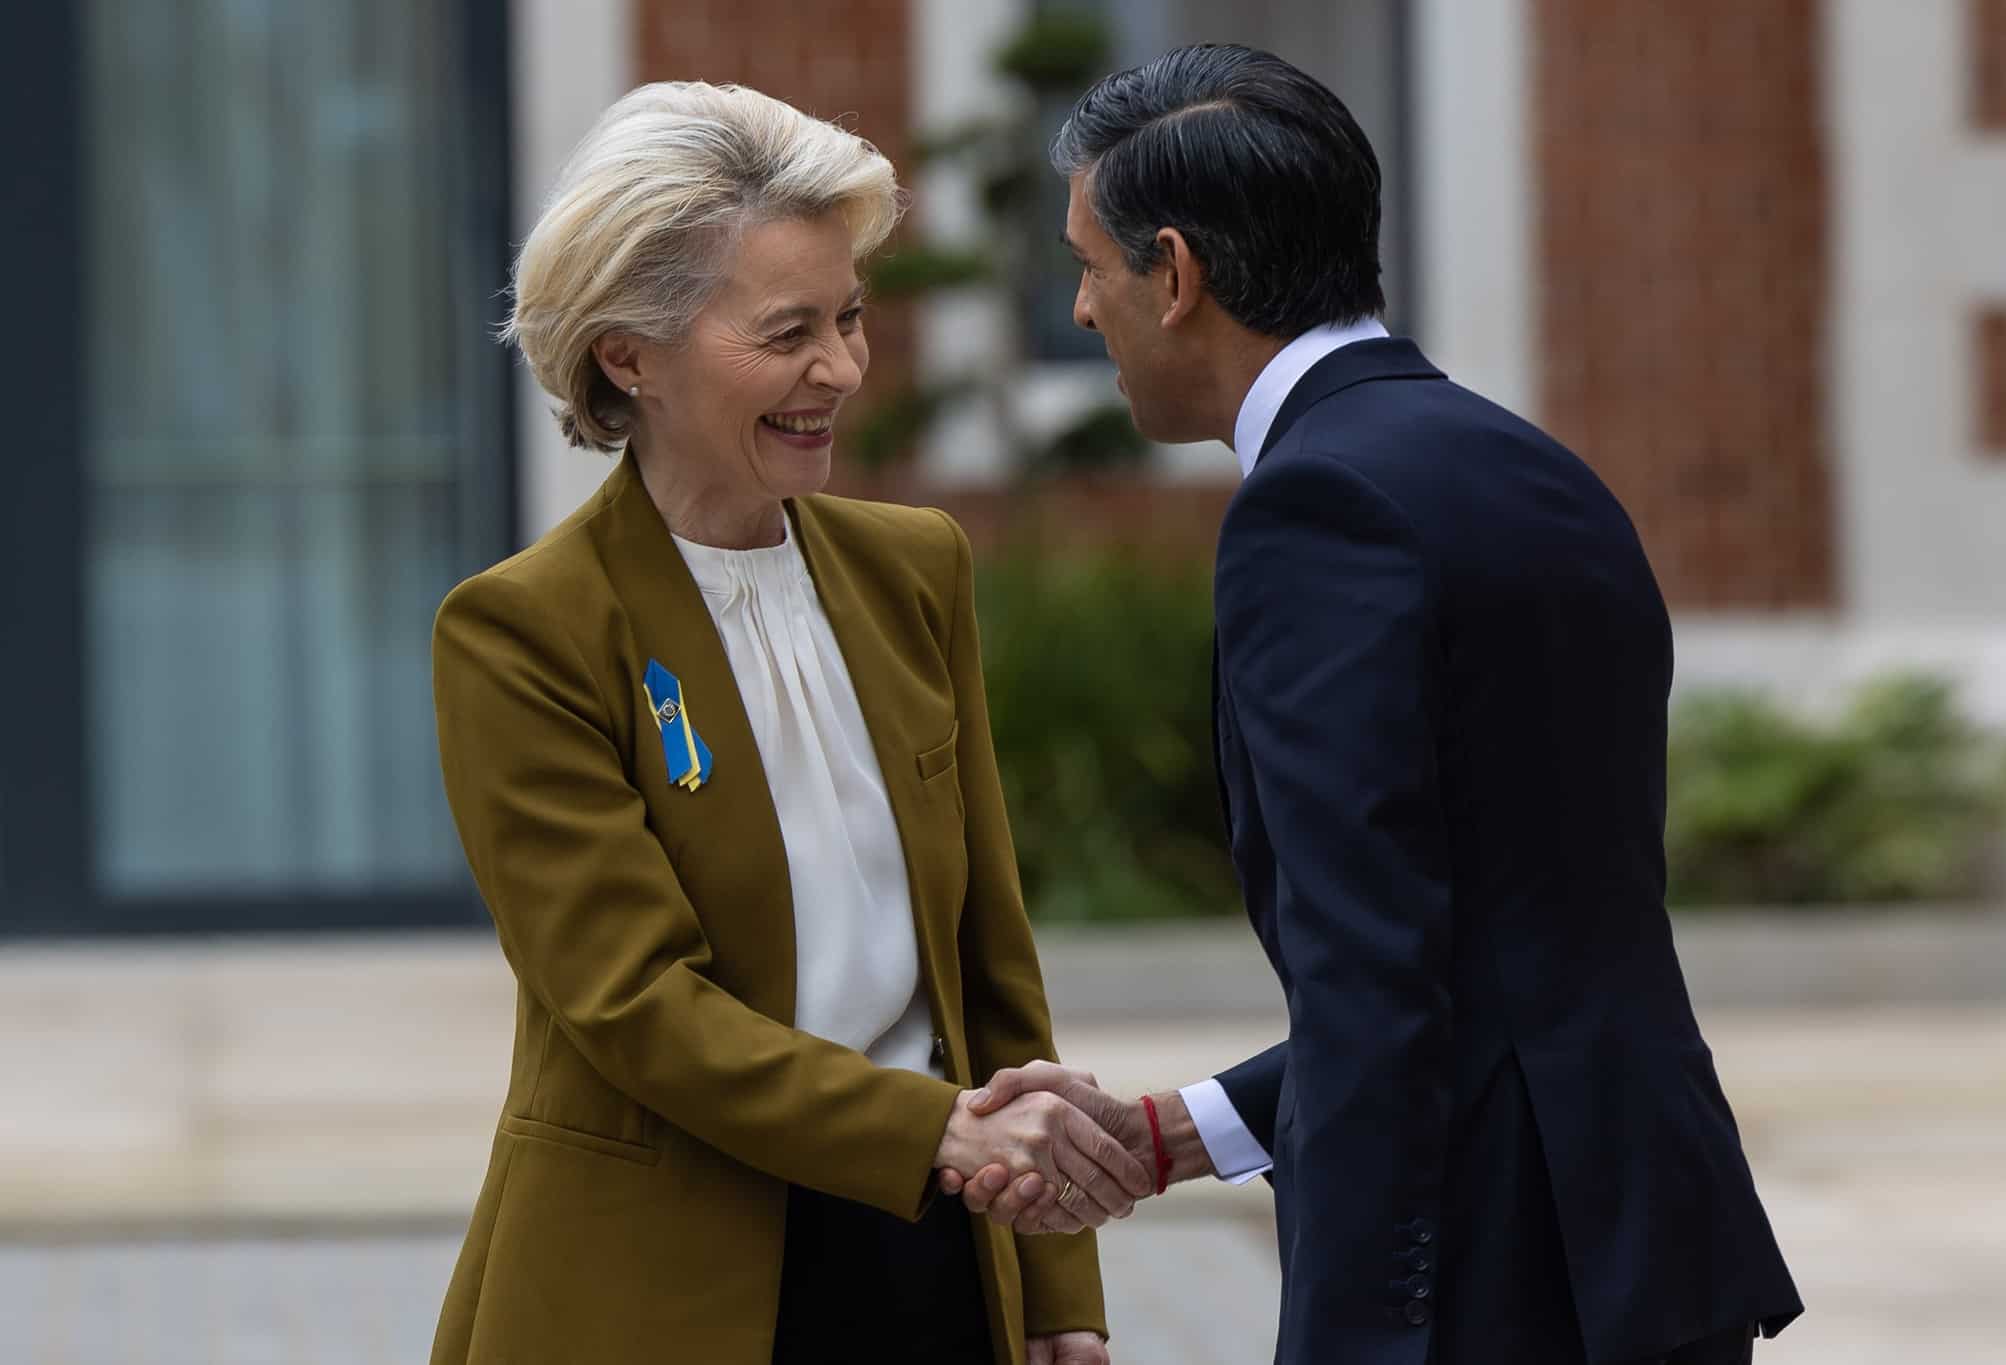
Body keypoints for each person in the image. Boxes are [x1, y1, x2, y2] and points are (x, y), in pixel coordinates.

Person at [943, 44, 1803, 1365]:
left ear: (1175, 277)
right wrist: (1184, 1131)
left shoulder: (1315, 510)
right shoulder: (1529, 468)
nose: (1076, 310)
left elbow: (1378, 976)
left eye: (1088, 264)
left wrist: (1350, 1333)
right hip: (1645, 1247)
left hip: (1491, 1278)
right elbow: (1513, 952)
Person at [428, 81, 1139, 1365]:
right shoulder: (523, 631)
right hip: (659, 1281)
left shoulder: (913, 567)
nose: (841, 370)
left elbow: (988, 962)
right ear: (626, 354)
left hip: (928, 1245)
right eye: (786, 331)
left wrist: (1054, 1287)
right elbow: (635, 1003)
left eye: (851, 318)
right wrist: (927, 1132)